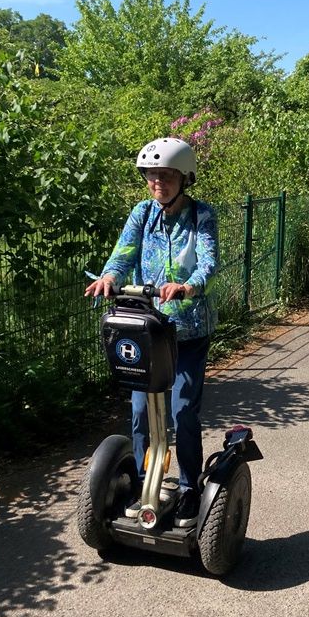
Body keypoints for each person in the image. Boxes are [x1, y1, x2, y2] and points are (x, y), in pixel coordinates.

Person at [85, 137, 218, 528]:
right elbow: (123, 254)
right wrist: (110, 277)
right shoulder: (142, 214)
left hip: (189, 331)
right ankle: (146, 485)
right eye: (151, 175)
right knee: (142, 411)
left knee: (182, 411)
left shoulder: (202, 215)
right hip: (149, 330)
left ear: (184, 178)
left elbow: (209, 262)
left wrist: (188, 286)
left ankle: (191, 487)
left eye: (166, 175)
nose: (157, 182)